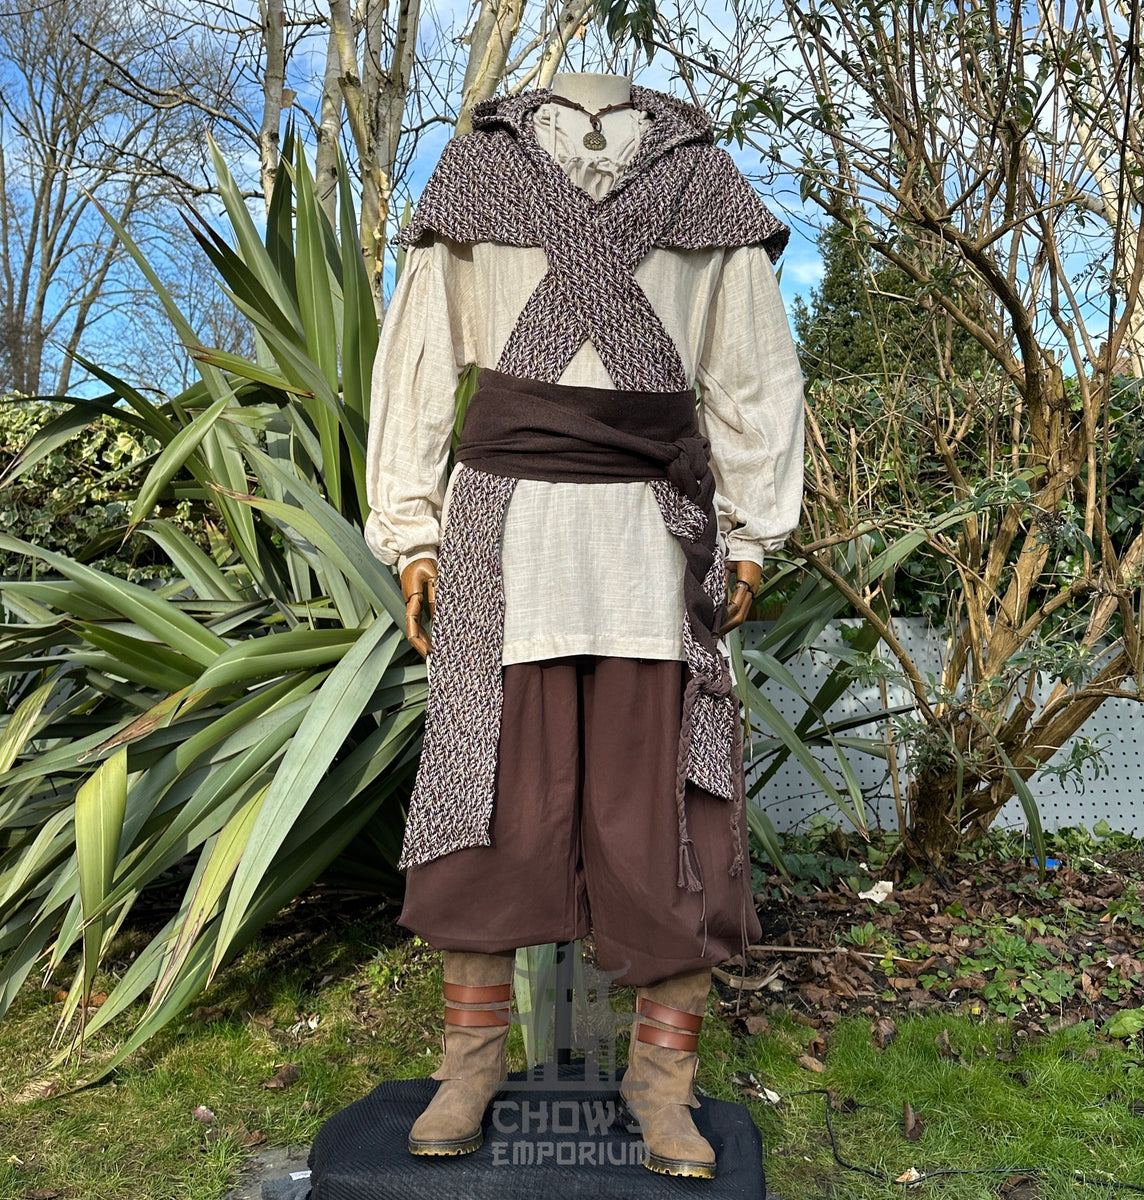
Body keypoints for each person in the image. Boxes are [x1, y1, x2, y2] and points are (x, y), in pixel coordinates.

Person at [363, 70, 806, 1179]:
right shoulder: (479, 171)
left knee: (665, 815)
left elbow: (754, 371)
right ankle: (469, 1064)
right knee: (487, 801)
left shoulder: (702, 180)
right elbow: (419, 359)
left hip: (656, 545)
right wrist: (410, 529)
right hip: (503, 536)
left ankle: (662, 1083)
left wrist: (753, 531)